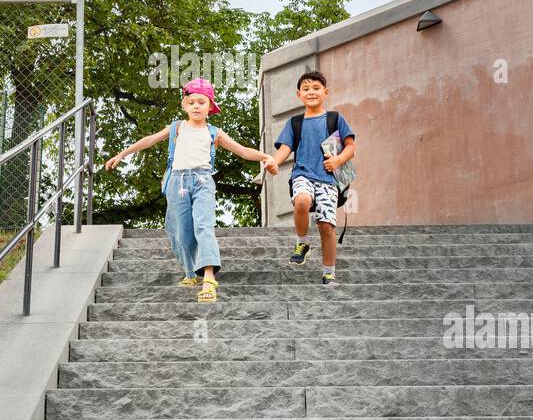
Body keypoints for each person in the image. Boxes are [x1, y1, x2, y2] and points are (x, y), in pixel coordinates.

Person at [105, 78, 273, 303]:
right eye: (191, 101)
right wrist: (122, 154)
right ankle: (190, 272)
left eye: (201, 102)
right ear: (184, 105)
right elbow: (149, 140)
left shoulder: (214, 132)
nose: (196, 106)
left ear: (210, 107)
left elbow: (241, 150)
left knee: (203, 225)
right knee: (182, 232)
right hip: (177, 182)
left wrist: (264, 156)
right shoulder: (176, 127)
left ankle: (209, 277)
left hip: (203, 182)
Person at [266, 70, 357, 286]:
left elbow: (351, 147)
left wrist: (337, 161)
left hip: (328, 179)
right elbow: (285, 148)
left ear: (325, 92)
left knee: (326, 226)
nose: (311, 92)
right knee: (302, 201)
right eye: (306, 89)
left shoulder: (336, 118)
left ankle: (329, 273)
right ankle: (302, 243)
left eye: (316, 88)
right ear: (299, 95)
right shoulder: (295, 123)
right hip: (303, 174)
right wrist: (274, 162)